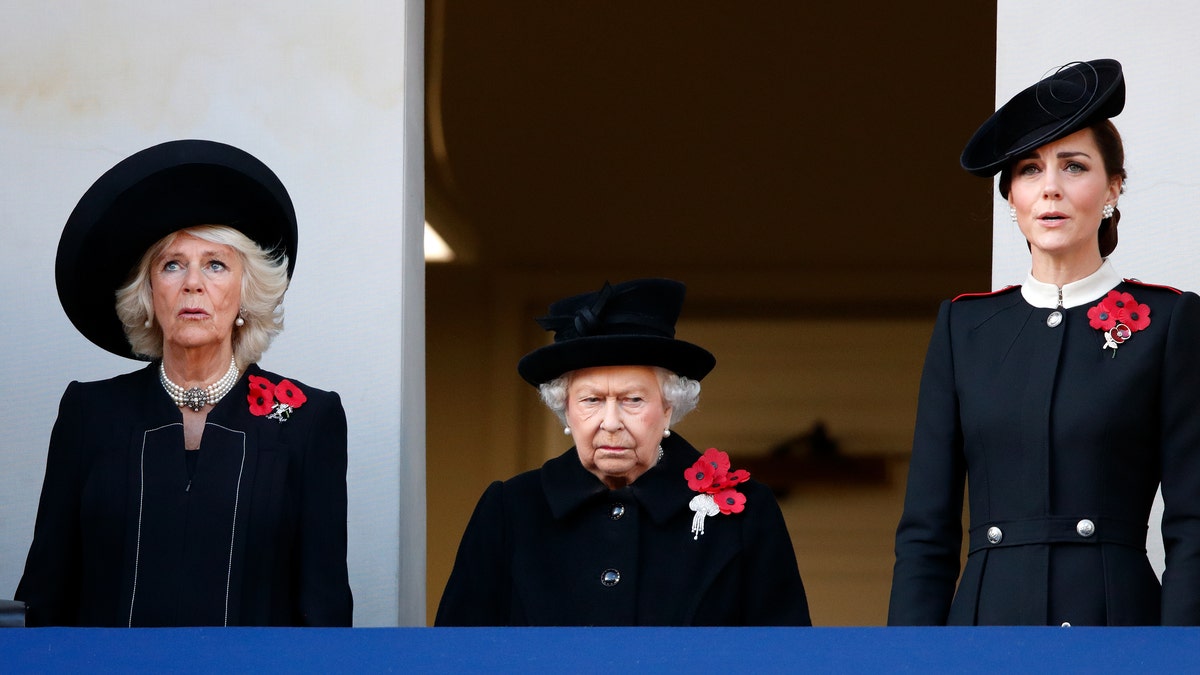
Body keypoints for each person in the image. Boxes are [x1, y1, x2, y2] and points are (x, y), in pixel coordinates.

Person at [889, 59, 1200, 626]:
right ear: (1011, 196)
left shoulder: (1169, 320)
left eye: (1073, 166)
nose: (1050, 188)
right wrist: (912, 658)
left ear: (1113, 186)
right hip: (987, 624)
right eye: (1030, 170)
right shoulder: (965, 327)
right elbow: (925, 532)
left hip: (1118, 625)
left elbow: (1193, 523)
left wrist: (1180, 654)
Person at [15, 140, 353, 627]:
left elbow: (325, 609)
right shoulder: (91, 413)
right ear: (150, 292)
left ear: (244, 293)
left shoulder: (307, 419)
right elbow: (46, 596)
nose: (192, 283)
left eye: (215, 264)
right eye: (172, 264)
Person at [435, 278, 811, 626]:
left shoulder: (746, 513)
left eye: (632, 399)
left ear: (668, 408)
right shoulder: (511, 509)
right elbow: (457, 653)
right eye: (591, 400)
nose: (610, 422)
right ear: (566, 409)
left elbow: (785, 655)